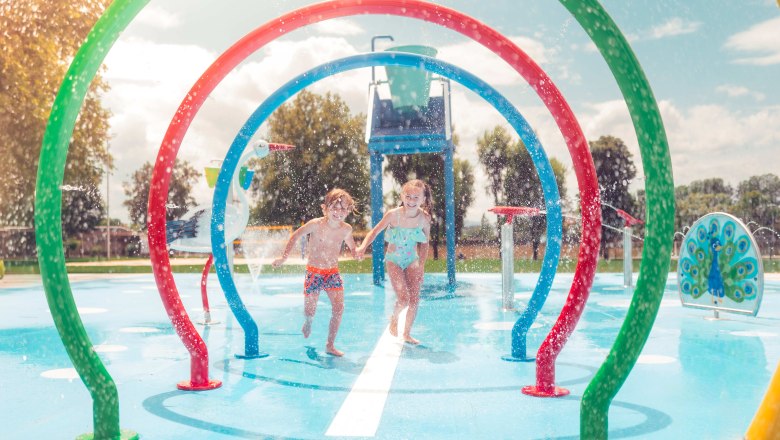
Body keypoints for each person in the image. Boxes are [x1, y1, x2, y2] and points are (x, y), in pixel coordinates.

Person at [272, 188, 359, 357]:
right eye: (334, 207)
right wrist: (284, 257)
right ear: (324, 208)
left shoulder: (346, 229)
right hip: (314, 273)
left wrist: (356, 253)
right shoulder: (315, 225)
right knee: (310, 310)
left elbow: (352, 247)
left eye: (343, 208)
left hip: (332, 273)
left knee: (339, 308)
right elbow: (296, 236)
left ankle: (330, 344)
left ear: (348, 211)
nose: (338, 212)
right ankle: (308, 322)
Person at [356, 179, 432, 345]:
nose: (411, 201)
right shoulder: (393, 215)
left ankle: (406, 333)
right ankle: (394, 318)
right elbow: (374, 232)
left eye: (416, 197)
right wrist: (362, 247)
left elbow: (425, 244)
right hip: (394, 260)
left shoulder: (424, 218)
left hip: (412, 259)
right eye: (408, 196)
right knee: (404, 298)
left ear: (423, 199)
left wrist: (421, 266)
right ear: (402, 196)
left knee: (414, 298)